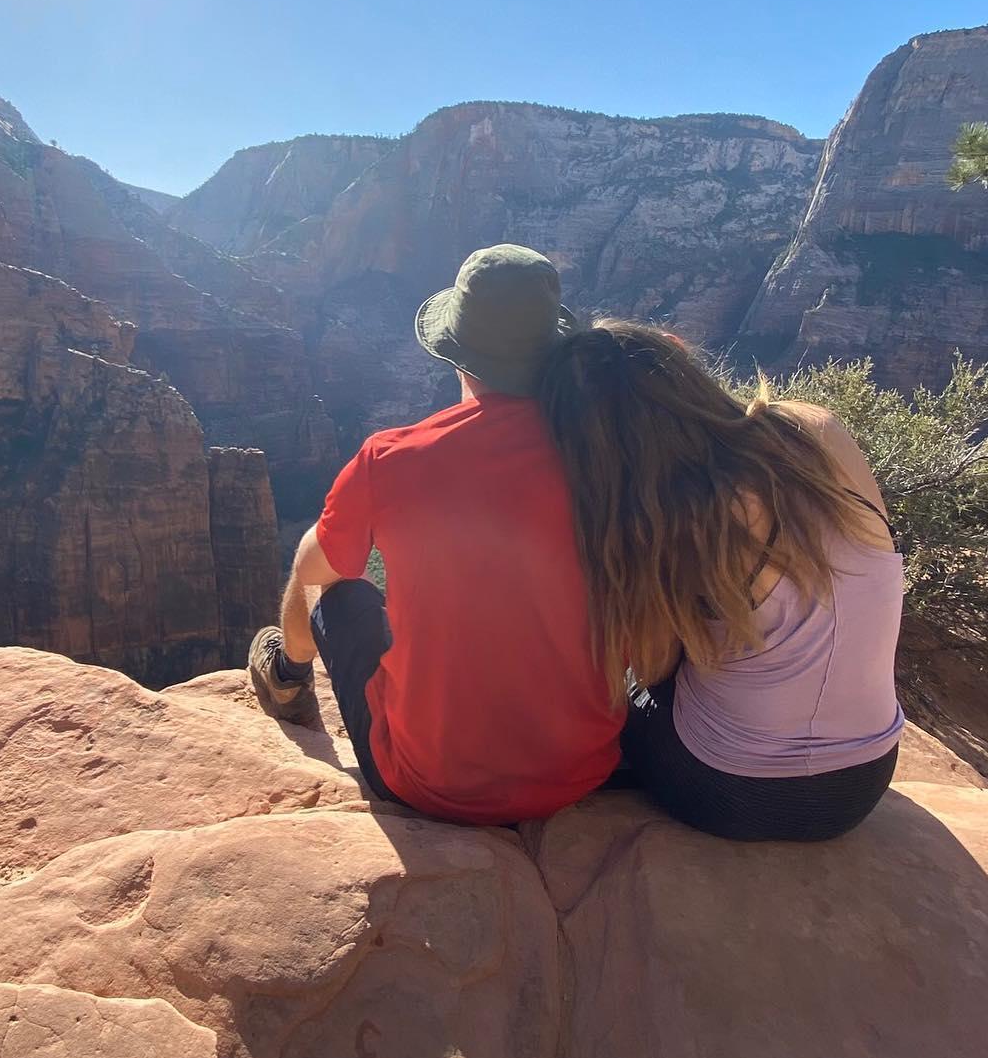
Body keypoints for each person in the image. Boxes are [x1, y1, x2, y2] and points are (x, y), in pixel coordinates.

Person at [246, 243, 624, 825]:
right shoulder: (609, 450)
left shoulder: (392, 457)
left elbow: (318, 570)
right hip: (582, 769)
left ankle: (287, 677)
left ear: (454, 351)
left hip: (431, 783)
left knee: (330, 576)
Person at [537, 319, 904, 842]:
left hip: (731, 789)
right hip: (867, 773)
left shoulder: (676, 520)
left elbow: (653, 665)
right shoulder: (815, 428)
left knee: (621, 692)